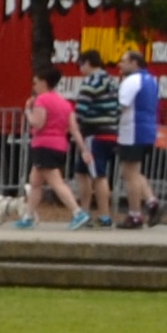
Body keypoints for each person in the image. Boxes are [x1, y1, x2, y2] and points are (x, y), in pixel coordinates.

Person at [20, 69, 88, 229]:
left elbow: (38, 123)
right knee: (35, 181)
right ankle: (28, 216)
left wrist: (28, 111)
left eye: (36, 83)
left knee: (56, 182)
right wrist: (83, 148)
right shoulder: (65, 103)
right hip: (59, 144)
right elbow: (74, 128)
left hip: (44, 145)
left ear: (44, 82)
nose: (34, 86)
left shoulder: (42, 100)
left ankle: (78, 212)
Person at [117, 44, 165, 227]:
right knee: (134, 172)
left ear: (134, 63)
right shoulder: (150, 79)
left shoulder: (131, 81)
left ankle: (135, 214)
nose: (120, 64)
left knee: (129, 174)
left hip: (132, 131)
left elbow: (121, 106)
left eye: (124, 61)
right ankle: (152, 202)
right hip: (147, 130)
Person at [72, 42, 122, 217]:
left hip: (94, 134)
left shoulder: (90, 83)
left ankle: (104, 216)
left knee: (98, 175)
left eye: (80, 65)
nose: (80, 69)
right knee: (81, 172)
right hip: (111, 131)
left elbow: (80, 111)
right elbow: (118, 107)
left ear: (88, 63)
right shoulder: (112, 81)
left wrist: (73, 127)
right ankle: (84, 212)